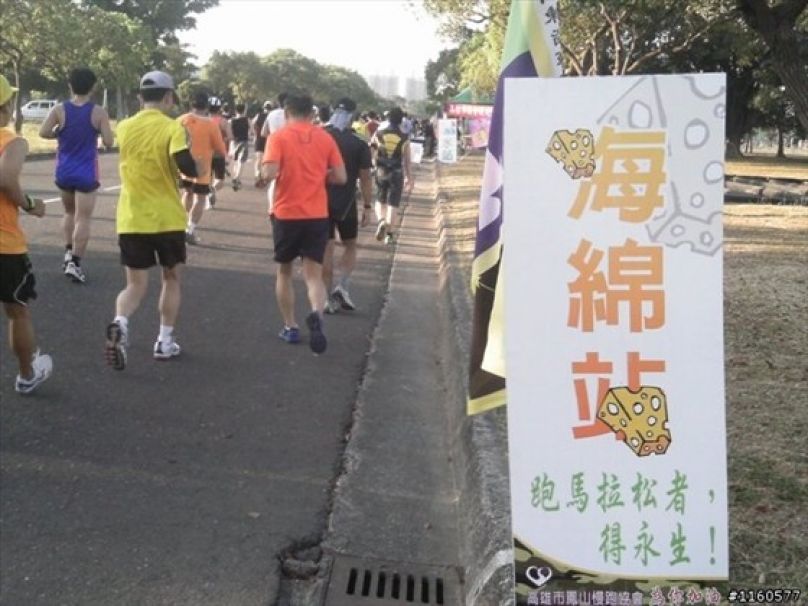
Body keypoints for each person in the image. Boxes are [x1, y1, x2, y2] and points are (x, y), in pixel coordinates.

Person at [104, 70, 198, 370]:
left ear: (139, 97)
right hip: (167, 218)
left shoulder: (124, 126)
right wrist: (198, 164)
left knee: (134, 285)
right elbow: (187, 166)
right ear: (169, 97)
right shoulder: (173, 128)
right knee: (171, 279)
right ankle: (164, 342)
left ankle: (120, 321)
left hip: (132, 217)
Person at [260, 93, 347, 354]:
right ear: (312, 114)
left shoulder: (278, 137)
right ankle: (317, 316)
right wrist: (321, 174)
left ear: (286, 113)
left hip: (286, 214)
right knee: (313, 275)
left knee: (284, 271)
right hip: (317, 214)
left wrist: (266, 173)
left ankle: (291, 326)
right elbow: (341, 177)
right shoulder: (325, 138)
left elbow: (269, 173)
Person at [0, 74, 53, 394]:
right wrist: (31, 204)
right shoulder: (12, 141)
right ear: (6, 105)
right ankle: (26, 374)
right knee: (17, 311)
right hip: (4, 245)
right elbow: (6, 178)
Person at [39, 67, 114, 283]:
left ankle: (68, 252)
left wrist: (58, 133)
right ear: (93, 87)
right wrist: (98, 132)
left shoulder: (59, 110)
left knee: (69, 212)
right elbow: (109, 142)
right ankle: (75, 262)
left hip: (64, 170)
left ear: (70, 85)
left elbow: (43, 132)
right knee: (83, 218)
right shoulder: (99, 112)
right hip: (86, 172)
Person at [322, 97, 373, 314]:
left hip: (319, 201)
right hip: (346, 202)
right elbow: (366, 178)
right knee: (350, 245)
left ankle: (326, 299)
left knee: (326, 248)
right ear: (353, 116)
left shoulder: (319, 136)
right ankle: (342, 286)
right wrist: (368, 206)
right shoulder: (359, 143)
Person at [177, 92, 226, 245]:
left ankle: (180, 225)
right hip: (202, 168)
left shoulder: (181, 120)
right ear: (206, 106)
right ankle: (190, 230)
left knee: (187, 193)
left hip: (183, 164)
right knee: (200, 198)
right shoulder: (211, 124)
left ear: (191, 104)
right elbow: (220, 149)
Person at [371, 107, 413, 245]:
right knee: (393, 203)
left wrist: (373, 163)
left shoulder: (379, 133)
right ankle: (389, 234)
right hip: (397, 172)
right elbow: (407, 160)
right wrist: (409, 178)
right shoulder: (404, 137)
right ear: (401, 120)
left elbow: (371, 148)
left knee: (380, 199)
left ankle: (381, 221)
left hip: (381, 170)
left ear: (388, 118)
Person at [260, 92, 288, 214]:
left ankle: (272, 207)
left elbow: (263, 133)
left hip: (273, 147)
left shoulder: (271, 114)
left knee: (273, 179)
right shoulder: (290, 115)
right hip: (288, 148)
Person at [206, 96, 232, 209]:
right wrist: (221, 140)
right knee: (220, 180)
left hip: (205, 154)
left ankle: (209, 194)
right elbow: (230, 136)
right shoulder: (223, 121)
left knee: (207, 178)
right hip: (219, 154)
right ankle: (212, 190)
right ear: (219, 108)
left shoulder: (203, 120)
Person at [228, 102, 250, 191]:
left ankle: (235, 177)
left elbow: (229, 133)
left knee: (235, 160)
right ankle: (237, 178)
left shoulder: (231, 121)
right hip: (244, 141)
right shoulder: (247, 120)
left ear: (235, 110)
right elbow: (252, 131)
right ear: (244, 110)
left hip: (234, 143)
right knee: (241, 161)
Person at [251, 101, 271, 187]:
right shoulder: (271, 116)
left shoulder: (258, 115)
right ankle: (260, 175)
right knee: (265, 160)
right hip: (268, 139)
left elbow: (252, 123)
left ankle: (257, 173)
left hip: (259, 138)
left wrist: (255, 133)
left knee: (259, 158)